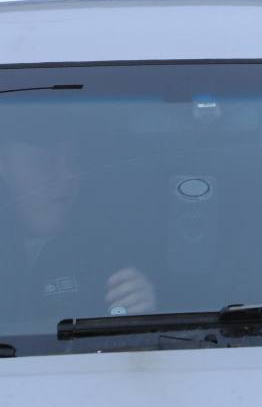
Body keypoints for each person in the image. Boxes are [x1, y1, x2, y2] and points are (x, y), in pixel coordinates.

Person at [0, 134, 157, 321]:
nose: (68, 177)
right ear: (4, 167)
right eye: (45, 161)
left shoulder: (113, 254)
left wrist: (144, 314)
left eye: (73, 160)